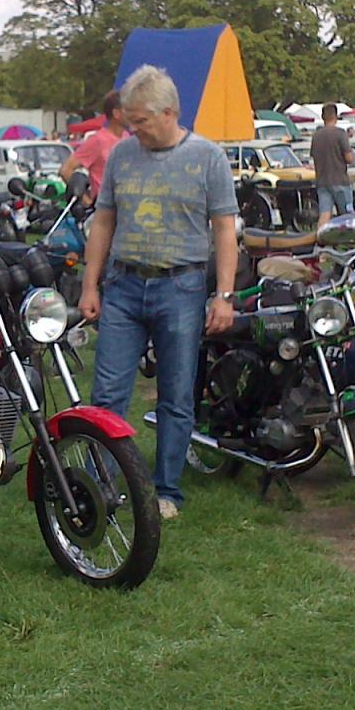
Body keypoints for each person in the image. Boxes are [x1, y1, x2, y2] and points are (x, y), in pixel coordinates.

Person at [79, 65, 239, 521]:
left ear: (169, 113)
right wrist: (90, 285)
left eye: (142, 121)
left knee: (176, 394)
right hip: (124, 286)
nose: (134, 130)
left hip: (181, 286)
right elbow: (104, 221)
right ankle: (101, 485)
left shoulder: (208, 157)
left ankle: (166, 490)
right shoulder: (122, 156)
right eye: (130, 121)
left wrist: (223, 295)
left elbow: (224, 230)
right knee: (107, 392)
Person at [60, 90, 127, 199]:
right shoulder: (98, 140)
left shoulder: (128, 138)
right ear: (116, 113)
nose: (133, 114)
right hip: (103, 205)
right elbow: (66, 170)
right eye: (128, 110)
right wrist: (86, 199)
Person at [310, 103, 355, 225]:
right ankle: (346, 235)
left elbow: (314, 157)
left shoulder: (316, 136)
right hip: (340, 181)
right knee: (347, 215)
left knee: (324, 215)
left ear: (322, 117)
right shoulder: (340, 133)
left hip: (322, 182)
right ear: (336, 116)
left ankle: (321, 234)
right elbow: (349, 158)